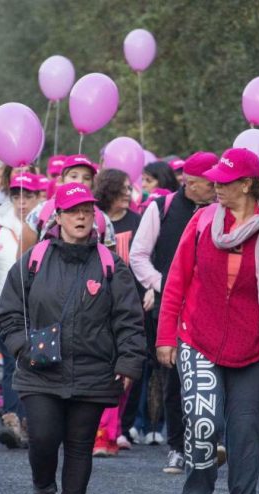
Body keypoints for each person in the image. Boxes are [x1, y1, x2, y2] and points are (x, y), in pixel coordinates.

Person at [156, 148, 259, 494]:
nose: (216, 186)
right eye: (215, 180)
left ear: (248, 184)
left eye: (224, 181)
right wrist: (166, 335)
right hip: (197, 337)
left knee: (246, 432)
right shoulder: (202, 221)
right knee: (203, 424)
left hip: (254, 346)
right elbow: (178, 280)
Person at [0, 181, 145, 494]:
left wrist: (128, 363)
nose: (81, 216)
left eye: (87, 210)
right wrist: (21, 348)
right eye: (73, 210)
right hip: (40, 370)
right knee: (44, 438)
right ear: (58, 216)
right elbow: (9, 313)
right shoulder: (34, 260)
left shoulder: (111, 264)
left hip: (94, 372)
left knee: (80, 444)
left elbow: (129, 318)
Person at [130, 151, 218, 473]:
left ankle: (208, 442)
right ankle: (178, 446)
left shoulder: (221, 210)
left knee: (211, 377)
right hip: (171, 308)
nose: (216, 189)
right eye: (210, 184)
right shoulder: (161, 208)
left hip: (211, 309)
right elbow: (138, 256)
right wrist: (163, 284)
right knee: (174, 378)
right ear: (190, 183)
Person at [0, 171, 44, 449]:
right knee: (10, 365)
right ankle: (13, 420)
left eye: (27, 196)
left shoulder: (48, 225)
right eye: (16, 195)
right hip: (7, 309)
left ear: (38, 197)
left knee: (34, 365)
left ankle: (33, 421)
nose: (22, 202)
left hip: (41, 310)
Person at [91, 168, 142, 457]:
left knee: (127, 369)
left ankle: (116, 428)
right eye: (122, 187)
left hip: (131, 301)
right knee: (108, 367)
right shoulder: (93, 217)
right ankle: (103, 433)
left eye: (129, 187)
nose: (128, 192)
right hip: (100, 300)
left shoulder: (139, 221)